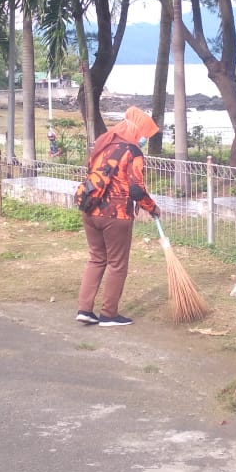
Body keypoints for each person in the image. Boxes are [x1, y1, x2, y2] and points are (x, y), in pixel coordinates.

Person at [76, 106, 161, 327]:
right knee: (117, 264)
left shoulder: (103, 144)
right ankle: (108, 314)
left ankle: (84, 310)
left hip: (89, 210)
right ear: (137, 130)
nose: (143, 139)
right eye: (144, 135)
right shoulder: (133, 152)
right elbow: (136, 190)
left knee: (96, 259)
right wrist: (152, 208)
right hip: (116, 215)